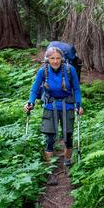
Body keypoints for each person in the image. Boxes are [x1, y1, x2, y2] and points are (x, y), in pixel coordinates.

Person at [24, 47, 84, 185]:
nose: (55, 61)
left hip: (68, 106)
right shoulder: (42, 71)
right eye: (52, 58)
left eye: (58, 58)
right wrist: (30, 102)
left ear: (62, 59)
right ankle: (50, 170)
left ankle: (67, 164)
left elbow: (76, 89)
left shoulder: (70, 70)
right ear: (47, 59)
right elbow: (34, 89)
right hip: (50, 106)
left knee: (68, 136)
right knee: (49, 139)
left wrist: (78, 104)